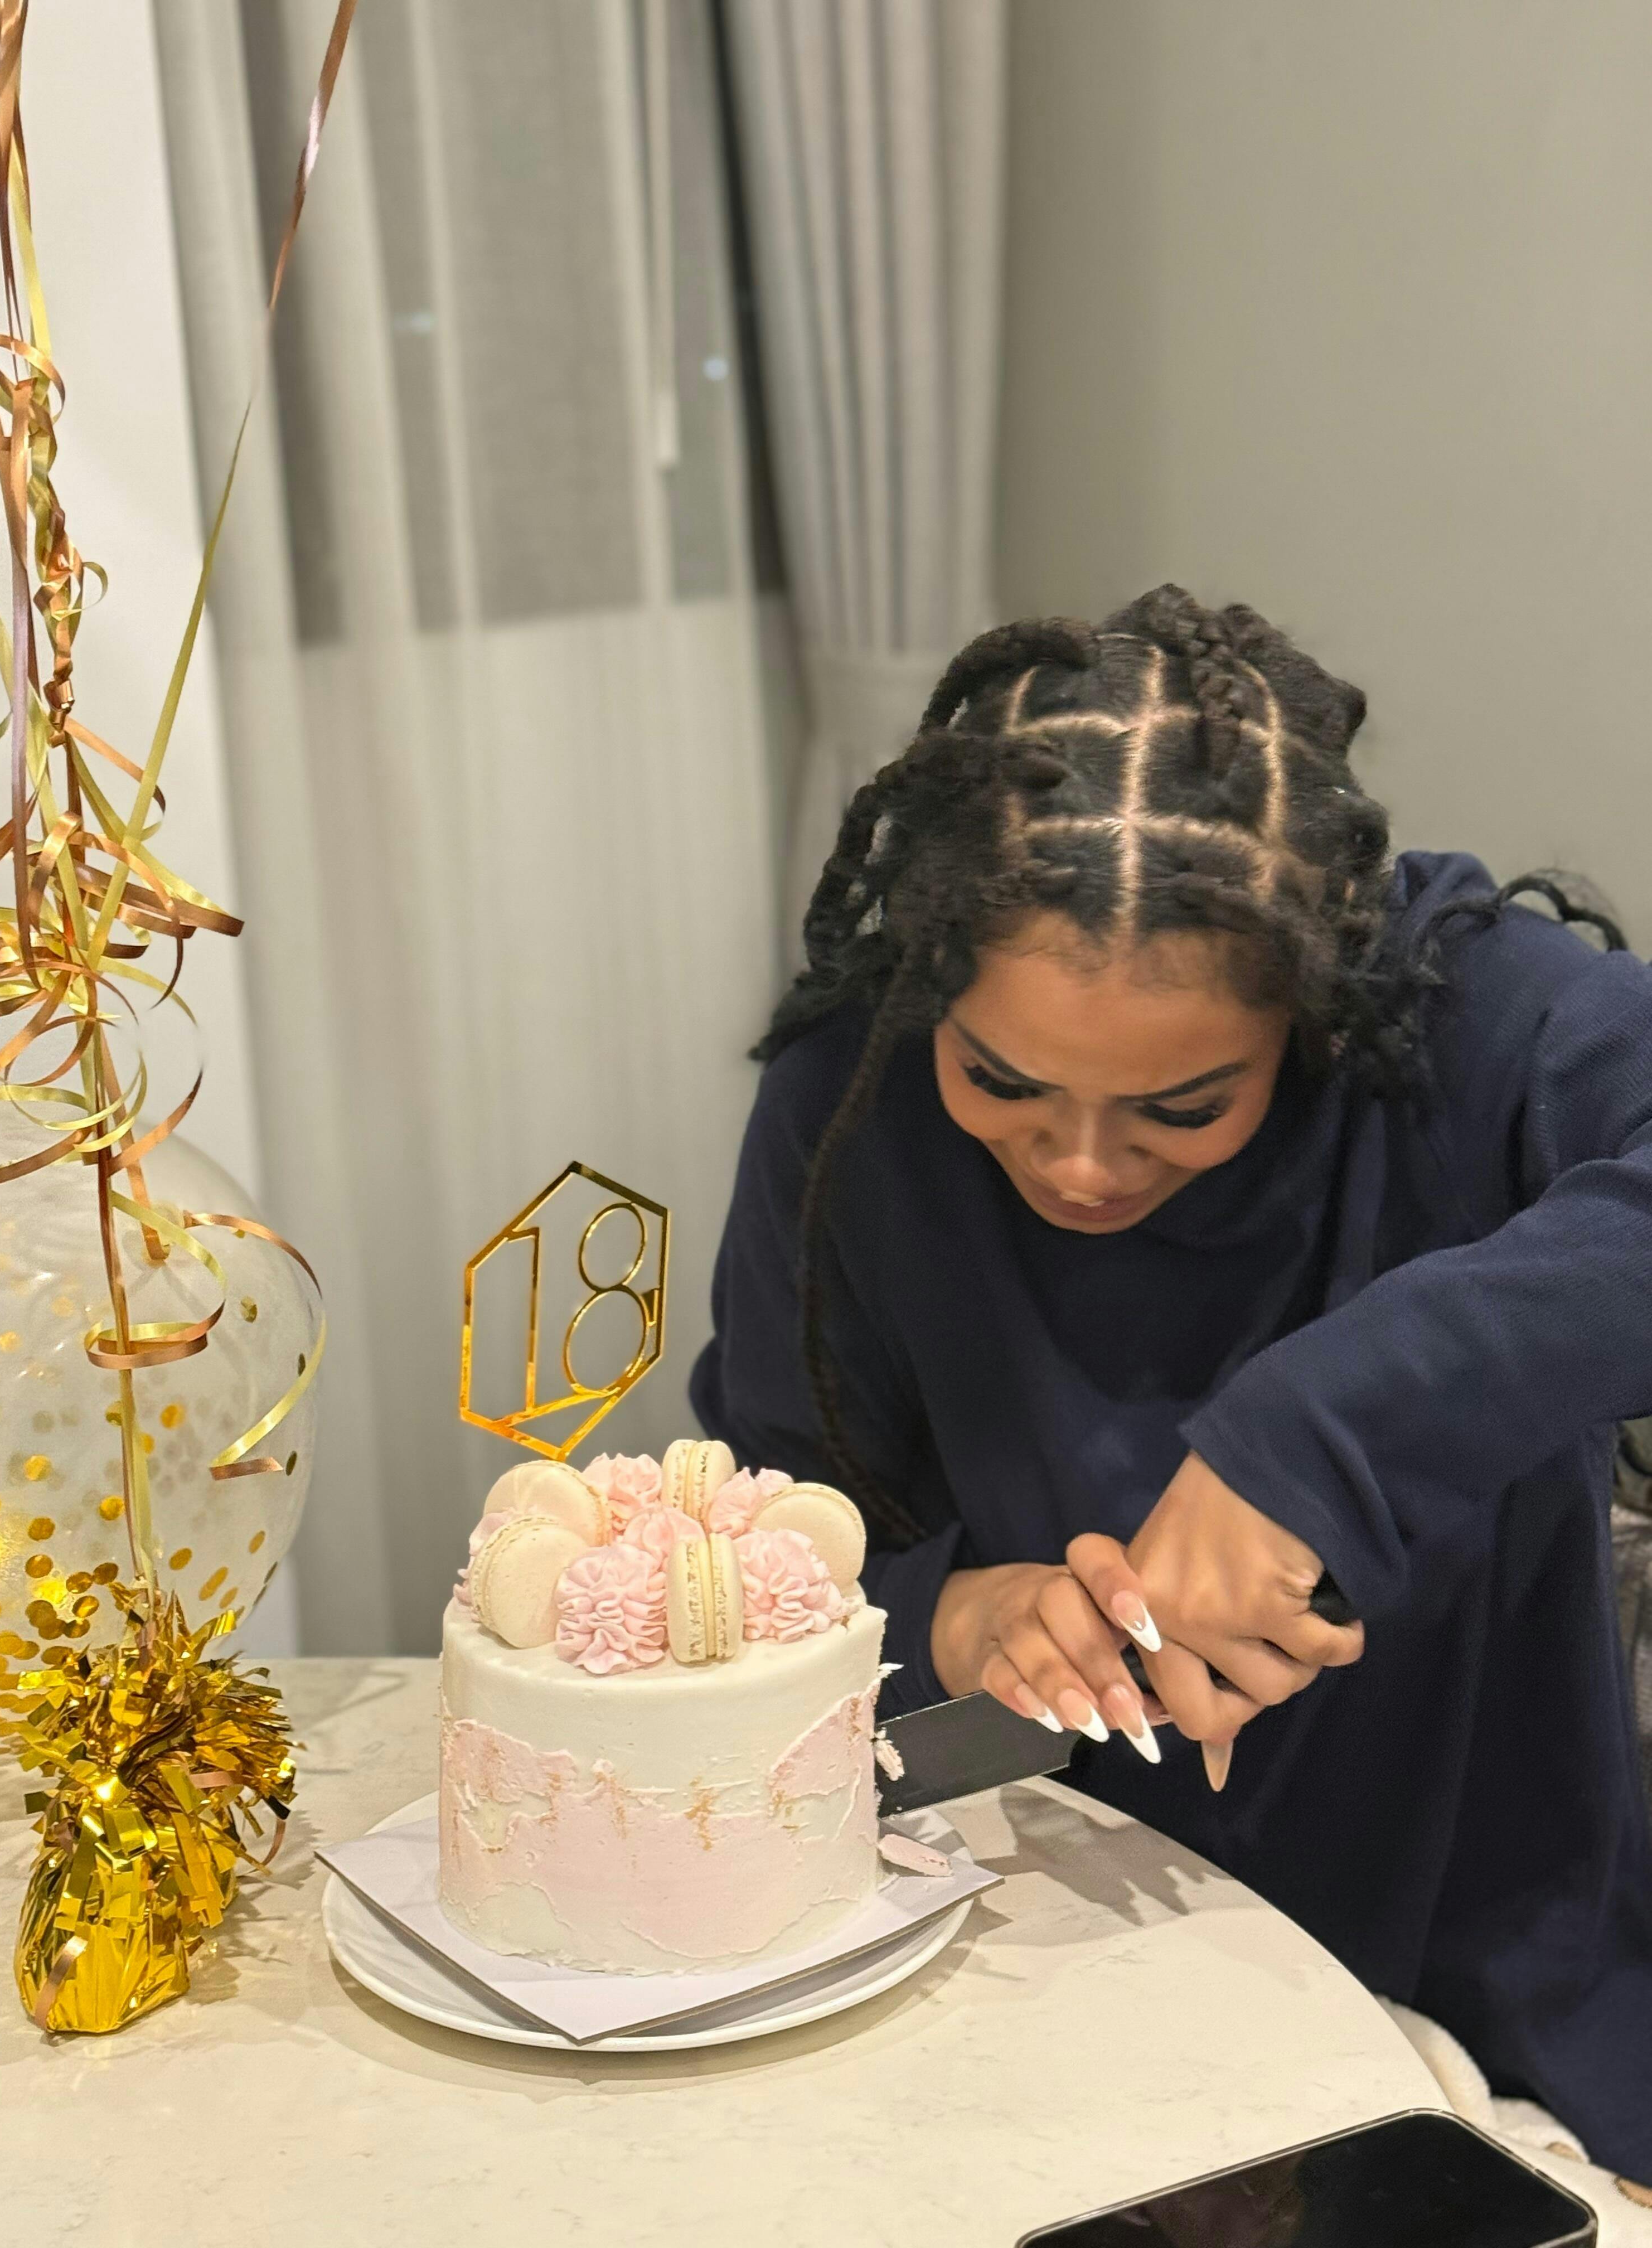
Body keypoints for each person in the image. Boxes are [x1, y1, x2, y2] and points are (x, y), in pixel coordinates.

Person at [690, 587, 1652, 2178]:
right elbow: (767, 1535)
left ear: (1312, 1003)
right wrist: (953, 1615)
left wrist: (1314, 1439)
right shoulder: (849, 1098)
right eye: (1000, 1081)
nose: (1079, 1164)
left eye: (1184, 1108)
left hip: (1492, 1988)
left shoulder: (1450, 1022)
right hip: (999, 1967)